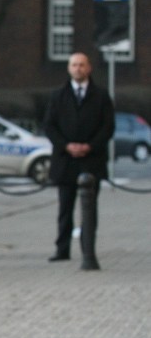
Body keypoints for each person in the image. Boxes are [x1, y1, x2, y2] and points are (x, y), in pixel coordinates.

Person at [43, 52, 114, 269]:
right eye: (74, 65)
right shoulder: (58, 95)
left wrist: (89, 146)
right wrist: (67, 146)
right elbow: (49, 125)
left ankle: (88, 250)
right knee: (65, 207)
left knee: (89, 209)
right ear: (69, 68)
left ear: (89, 68)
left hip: (91, 160)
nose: (78, 69)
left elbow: (107, 127)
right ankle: (62, 249)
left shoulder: (101, 96)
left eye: (82, 65)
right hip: (66, 160)